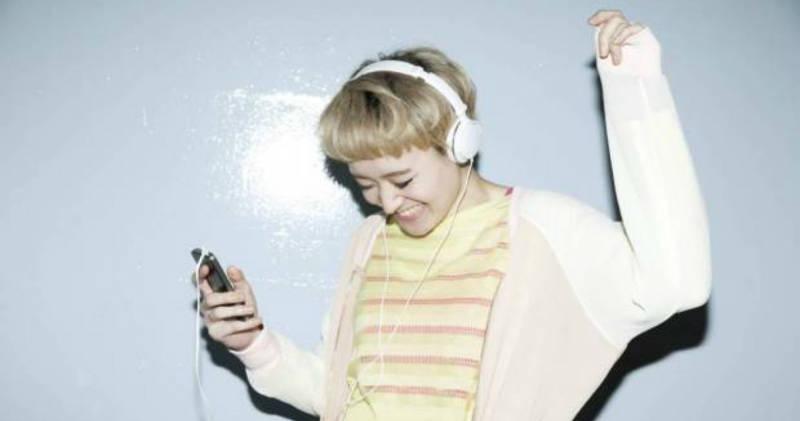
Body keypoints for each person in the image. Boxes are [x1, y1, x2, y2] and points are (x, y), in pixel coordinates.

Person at [195, 9, 712, 421]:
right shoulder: (371, 242)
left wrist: (633, 89)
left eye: (402, 180)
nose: (387, 203)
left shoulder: (541, 229)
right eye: (366, 185)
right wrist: (253, 344)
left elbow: (677, 284)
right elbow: (335, 394)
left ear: (459, 143)